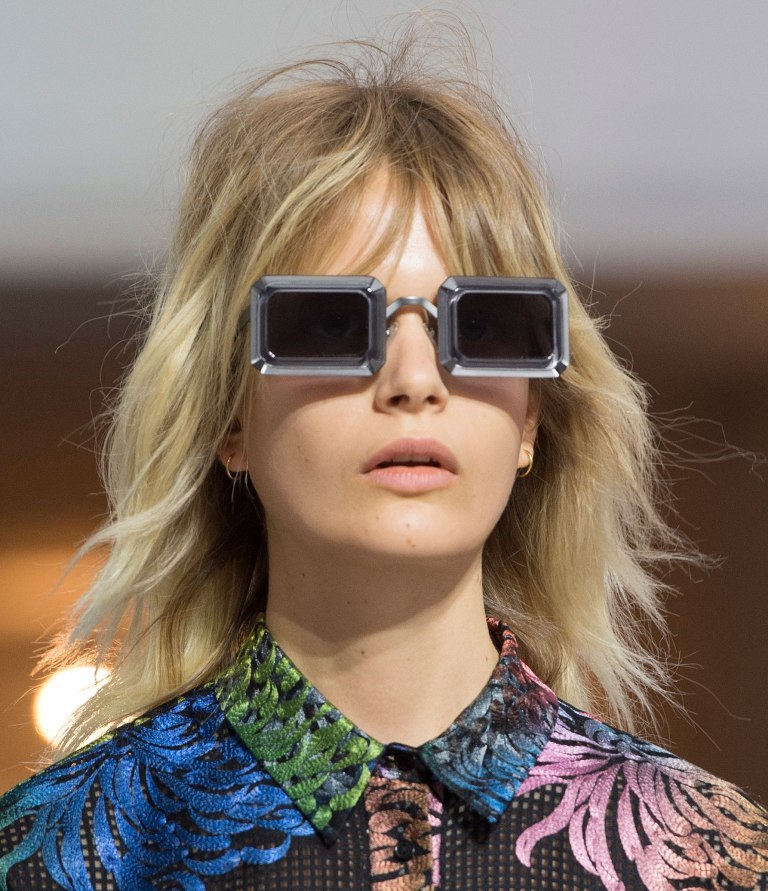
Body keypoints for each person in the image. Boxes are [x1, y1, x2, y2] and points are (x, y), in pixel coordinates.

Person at [0, 32, 766, 891]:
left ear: (532, 417)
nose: (413, 380)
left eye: (482, 325)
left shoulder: (707, 860)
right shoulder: (56, 863)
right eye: (330, 322)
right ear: (227, 413)